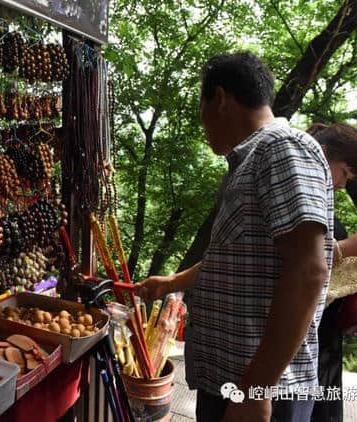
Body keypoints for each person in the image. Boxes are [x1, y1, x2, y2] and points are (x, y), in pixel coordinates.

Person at [139, 51, 334, 422]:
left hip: (262, 392)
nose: (203, 125)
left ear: (221, 99)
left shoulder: (281, 148)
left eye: (202, 110)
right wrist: (171, 283)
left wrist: (255, 391)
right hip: (233, 383)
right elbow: (234, 256)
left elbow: (308, 272)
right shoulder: (251, 159)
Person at [306, 122, 357, 422]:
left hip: (324, 340)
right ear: (324, 153)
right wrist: (349, 248)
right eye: (345, 173)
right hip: (307, 340)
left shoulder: (322, 198)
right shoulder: (300, 194)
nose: (344, 185)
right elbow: (290, 259)